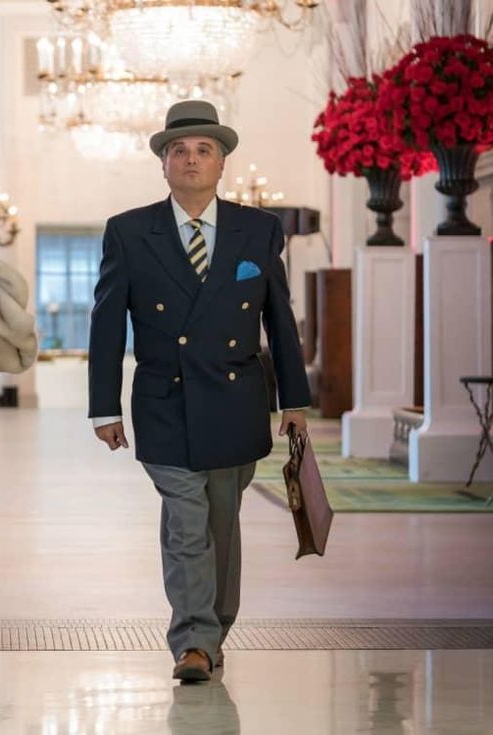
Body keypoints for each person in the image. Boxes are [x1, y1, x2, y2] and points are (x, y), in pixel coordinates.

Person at [88, 99, 311, 682]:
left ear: (221, 162)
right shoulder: (129, 231)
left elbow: (279, 319)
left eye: (203, 150)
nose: (191, 159)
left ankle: (213, 633)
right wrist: (104, 407)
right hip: (164, 400)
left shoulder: (258, 230)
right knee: (186, 523)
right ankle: (193, 641)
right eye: (179, 151)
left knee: (220, 526)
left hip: (236, 402)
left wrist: (294, 399)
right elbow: (107, 324)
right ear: (163, 164)